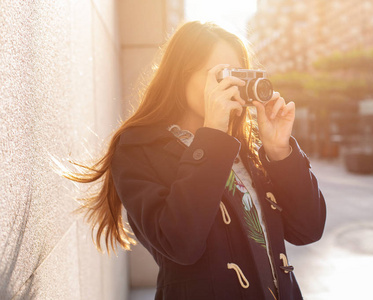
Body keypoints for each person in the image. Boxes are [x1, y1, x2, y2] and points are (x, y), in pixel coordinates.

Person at [64, 21, 326, 300]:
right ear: (181, 76)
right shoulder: (138, 148)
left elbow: (308, 230)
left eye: (239, 75)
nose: (232, 87)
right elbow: (180, 244)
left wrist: (279, 151)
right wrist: (211, 136)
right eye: (221, 75)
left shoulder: (244, 148)